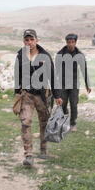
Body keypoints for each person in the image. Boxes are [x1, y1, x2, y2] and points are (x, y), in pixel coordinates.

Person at [14, 29, 62, 166]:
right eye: (26, 40)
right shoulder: (20, 55)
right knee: (25, 122)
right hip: (26, 95)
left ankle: (43, 150)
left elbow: (52, 76)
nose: (29, 42)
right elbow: (17, 75)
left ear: (37, 40)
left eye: (31, 40)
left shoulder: (45, 56)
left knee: (44, 123)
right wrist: (17, 94)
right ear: (24, 41)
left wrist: (57, 95)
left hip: (42, 95)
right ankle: (28, 154)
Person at [55, 33, 91, 132]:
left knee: (74, 104)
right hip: (63, 83)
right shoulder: (60, 54)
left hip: (74, 83)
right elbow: (56, 71)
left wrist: (88, 84)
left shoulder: (79, 55)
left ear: (75, 42)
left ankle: (73, 123)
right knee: (63, 104)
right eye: (68, 42)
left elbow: (84, 70)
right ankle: (64, 122)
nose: (70, 44)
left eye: (72, 42)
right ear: (66, 43)